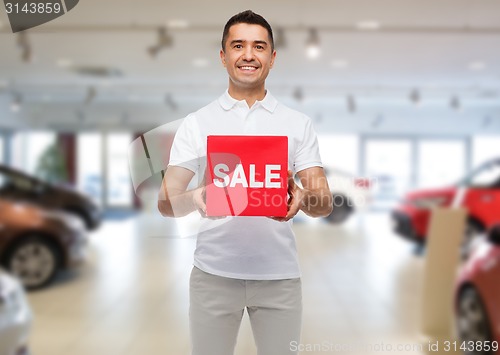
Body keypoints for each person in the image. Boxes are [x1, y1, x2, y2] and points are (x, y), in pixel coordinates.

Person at [158, 10, 333, 355]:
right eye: (238, 46)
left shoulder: (297, 124)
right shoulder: (197, 123)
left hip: (279, 278)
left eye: (259, 46)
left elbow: (324, 200)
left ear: (272, 58)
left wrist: (302, 197)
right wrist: (197, 197)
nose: (249, 55)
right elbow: (166, 203)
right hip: (213, 275)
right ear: (223, 57)